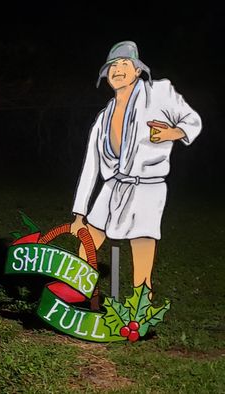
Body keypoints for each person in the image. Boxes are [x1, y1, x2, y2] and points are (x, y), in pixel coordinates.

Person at [70, 41, 202, 297]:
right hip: (113, 185)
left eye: (124, 64)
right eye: (112, 66)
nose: (117, 70)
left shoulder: (160, 93)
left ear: (138, 70)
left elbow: (192, 120)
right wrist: (79, 213)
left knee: (141, 242)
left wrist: (172, 132)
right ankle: (78, 293)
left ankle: (140, 304)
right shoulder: (103, 116)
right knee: (89, 239)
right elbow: (91, 165)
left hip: (147, 185)